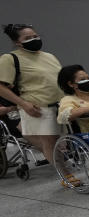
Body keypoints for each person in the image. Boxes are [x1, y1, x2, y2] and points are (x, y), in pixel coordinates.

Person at [0, 23, 64, 165]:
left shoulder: (49, 56)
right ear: (17, 42)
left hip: (61, 104)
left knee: (77, 137)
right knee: (49, 142)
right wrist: (23, 104)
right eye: (28, 38)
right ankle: (65, 175)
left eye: (35, 36)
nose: (34, 39)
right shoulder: (9, 59)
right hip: (38, 107)